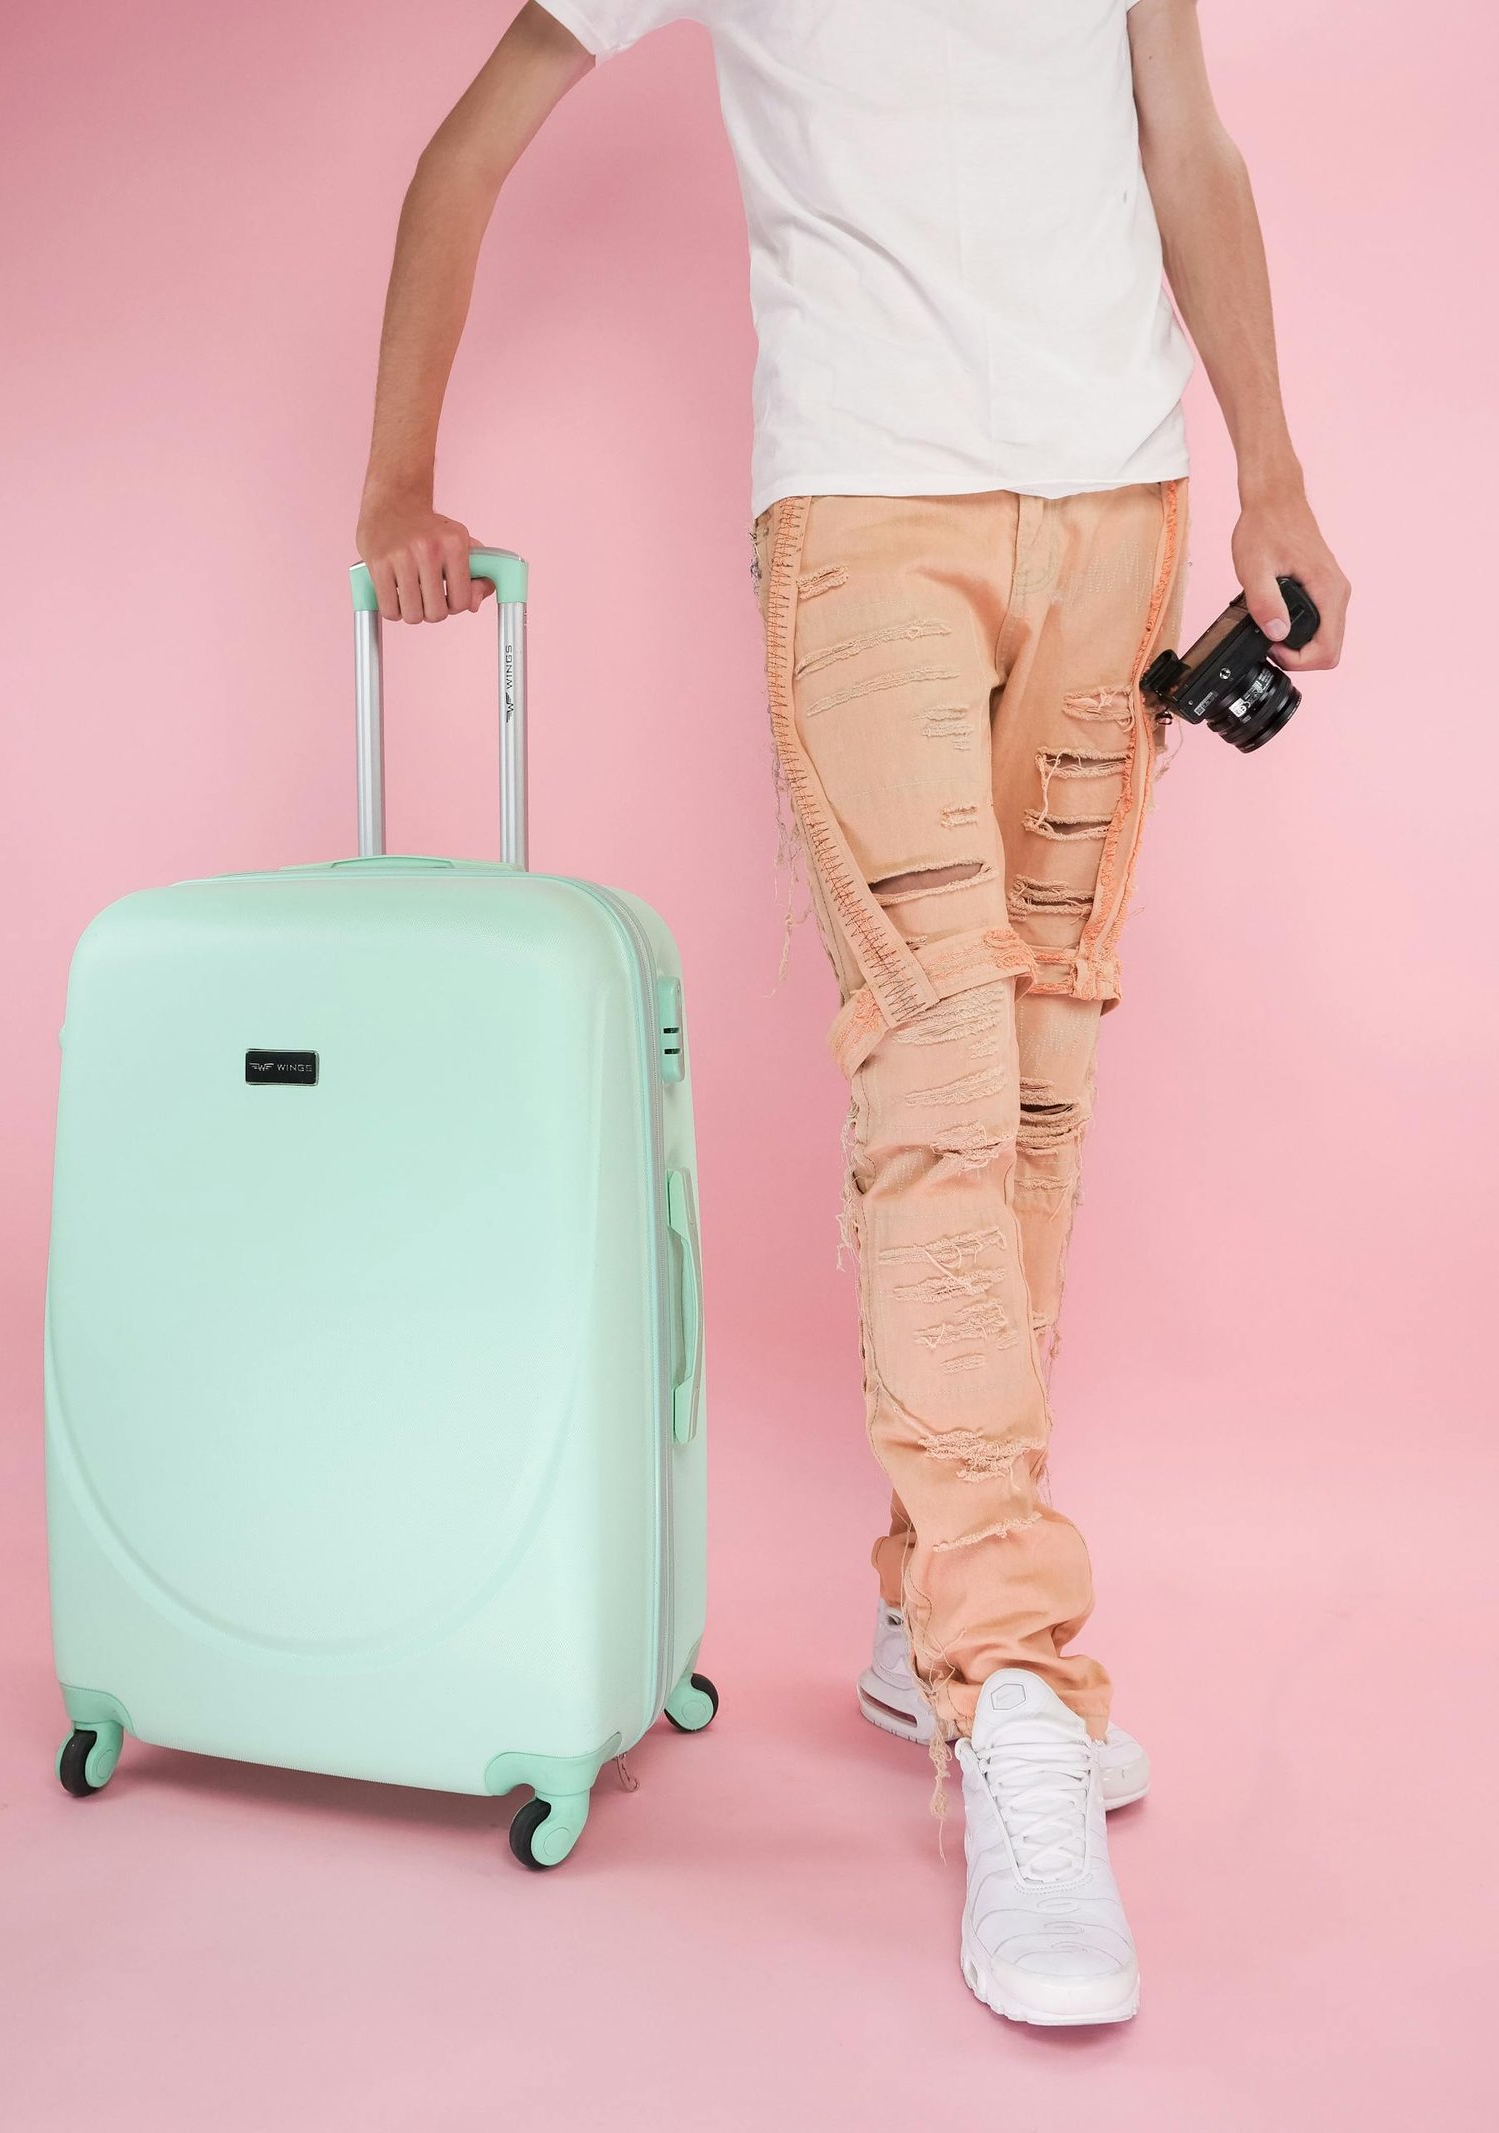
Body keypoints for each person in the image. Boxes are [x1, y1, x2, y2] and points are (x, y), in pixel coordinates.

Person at [355, 0, 1349, 2026]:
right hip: (865, 518)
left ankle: (926, 1608)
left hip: (1113, 516)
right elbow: (461, 154)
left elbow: (1191, 153)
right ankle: (1010, 1691)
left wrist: (1269, 477)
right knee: (939, 1076)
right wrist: (393, 479)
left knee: (1039, 1085)